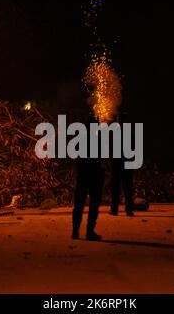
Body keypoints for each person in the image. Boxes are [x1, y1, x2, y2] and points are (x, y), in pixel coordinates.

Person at [72, 88, 104, 241]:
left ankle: (75, 231)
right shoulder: (98, 140)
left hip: (83, 175)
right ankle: (89, 231)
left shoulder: (81, 138)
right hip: (93, 175)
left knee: (79, 204)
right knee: (94, 204)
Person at [109, 111, 134, 217]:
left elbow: (109, 147)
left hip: (116, 163)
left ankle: (114, 210)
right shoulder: (129, 132)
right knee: (127, 188)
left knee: (116, 188)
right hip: (126, 163)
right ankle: (128, 210)